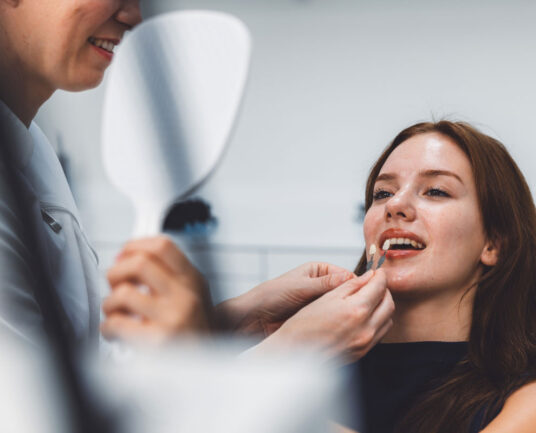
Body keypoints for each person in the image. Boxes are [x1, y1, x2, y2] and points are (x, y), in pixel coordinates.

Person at [109, 120, 536, 433]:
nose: (397, 207)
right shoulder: (305, 366)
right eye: (382, 194)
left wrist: (277, 382)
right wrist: (243, 317)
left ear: (494, 242)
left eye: (435, 192)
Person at [0, 0, 393, 361]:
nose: (132, 16)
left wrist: (231, 320)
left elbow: (92, 365)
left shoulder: (31, 147)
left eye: (437, 191)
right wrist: (293, 350)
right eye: (384, 191)